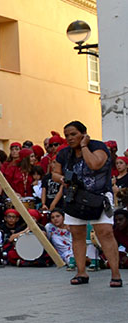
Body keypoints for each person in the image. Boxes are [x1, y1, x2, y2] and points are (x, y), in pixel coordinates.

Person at [53, 121, 122, 287]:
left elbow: (94, 164)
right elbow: (55, 172)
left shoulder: (98, 147)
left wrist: (84, 147)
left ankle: (115, 274)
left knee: (105, 232)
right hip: (75, 196)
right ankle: (81, 272)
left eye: (73, 134)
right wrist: (63, 179)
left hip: (99, 196)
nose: (69, 138)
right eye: (67, 135)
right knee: (77, 233)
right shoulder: (64, 153)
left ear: (83, 133)